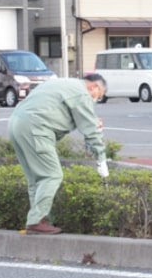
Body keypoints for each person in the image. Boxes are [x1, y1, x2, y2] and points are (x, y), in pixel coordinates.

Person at [8, 73, 109, 235]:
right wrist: (101, 160)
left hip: (16, 124)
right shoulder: (82, 93)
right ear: (94, 87)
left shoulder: (65, 83)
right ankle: (35, 221)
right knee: (52, 175)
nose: (97, 99)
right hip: (36, 128)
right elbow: (91, 131)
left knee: (36, 178)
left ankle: (42, 220)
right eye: (100, 95)